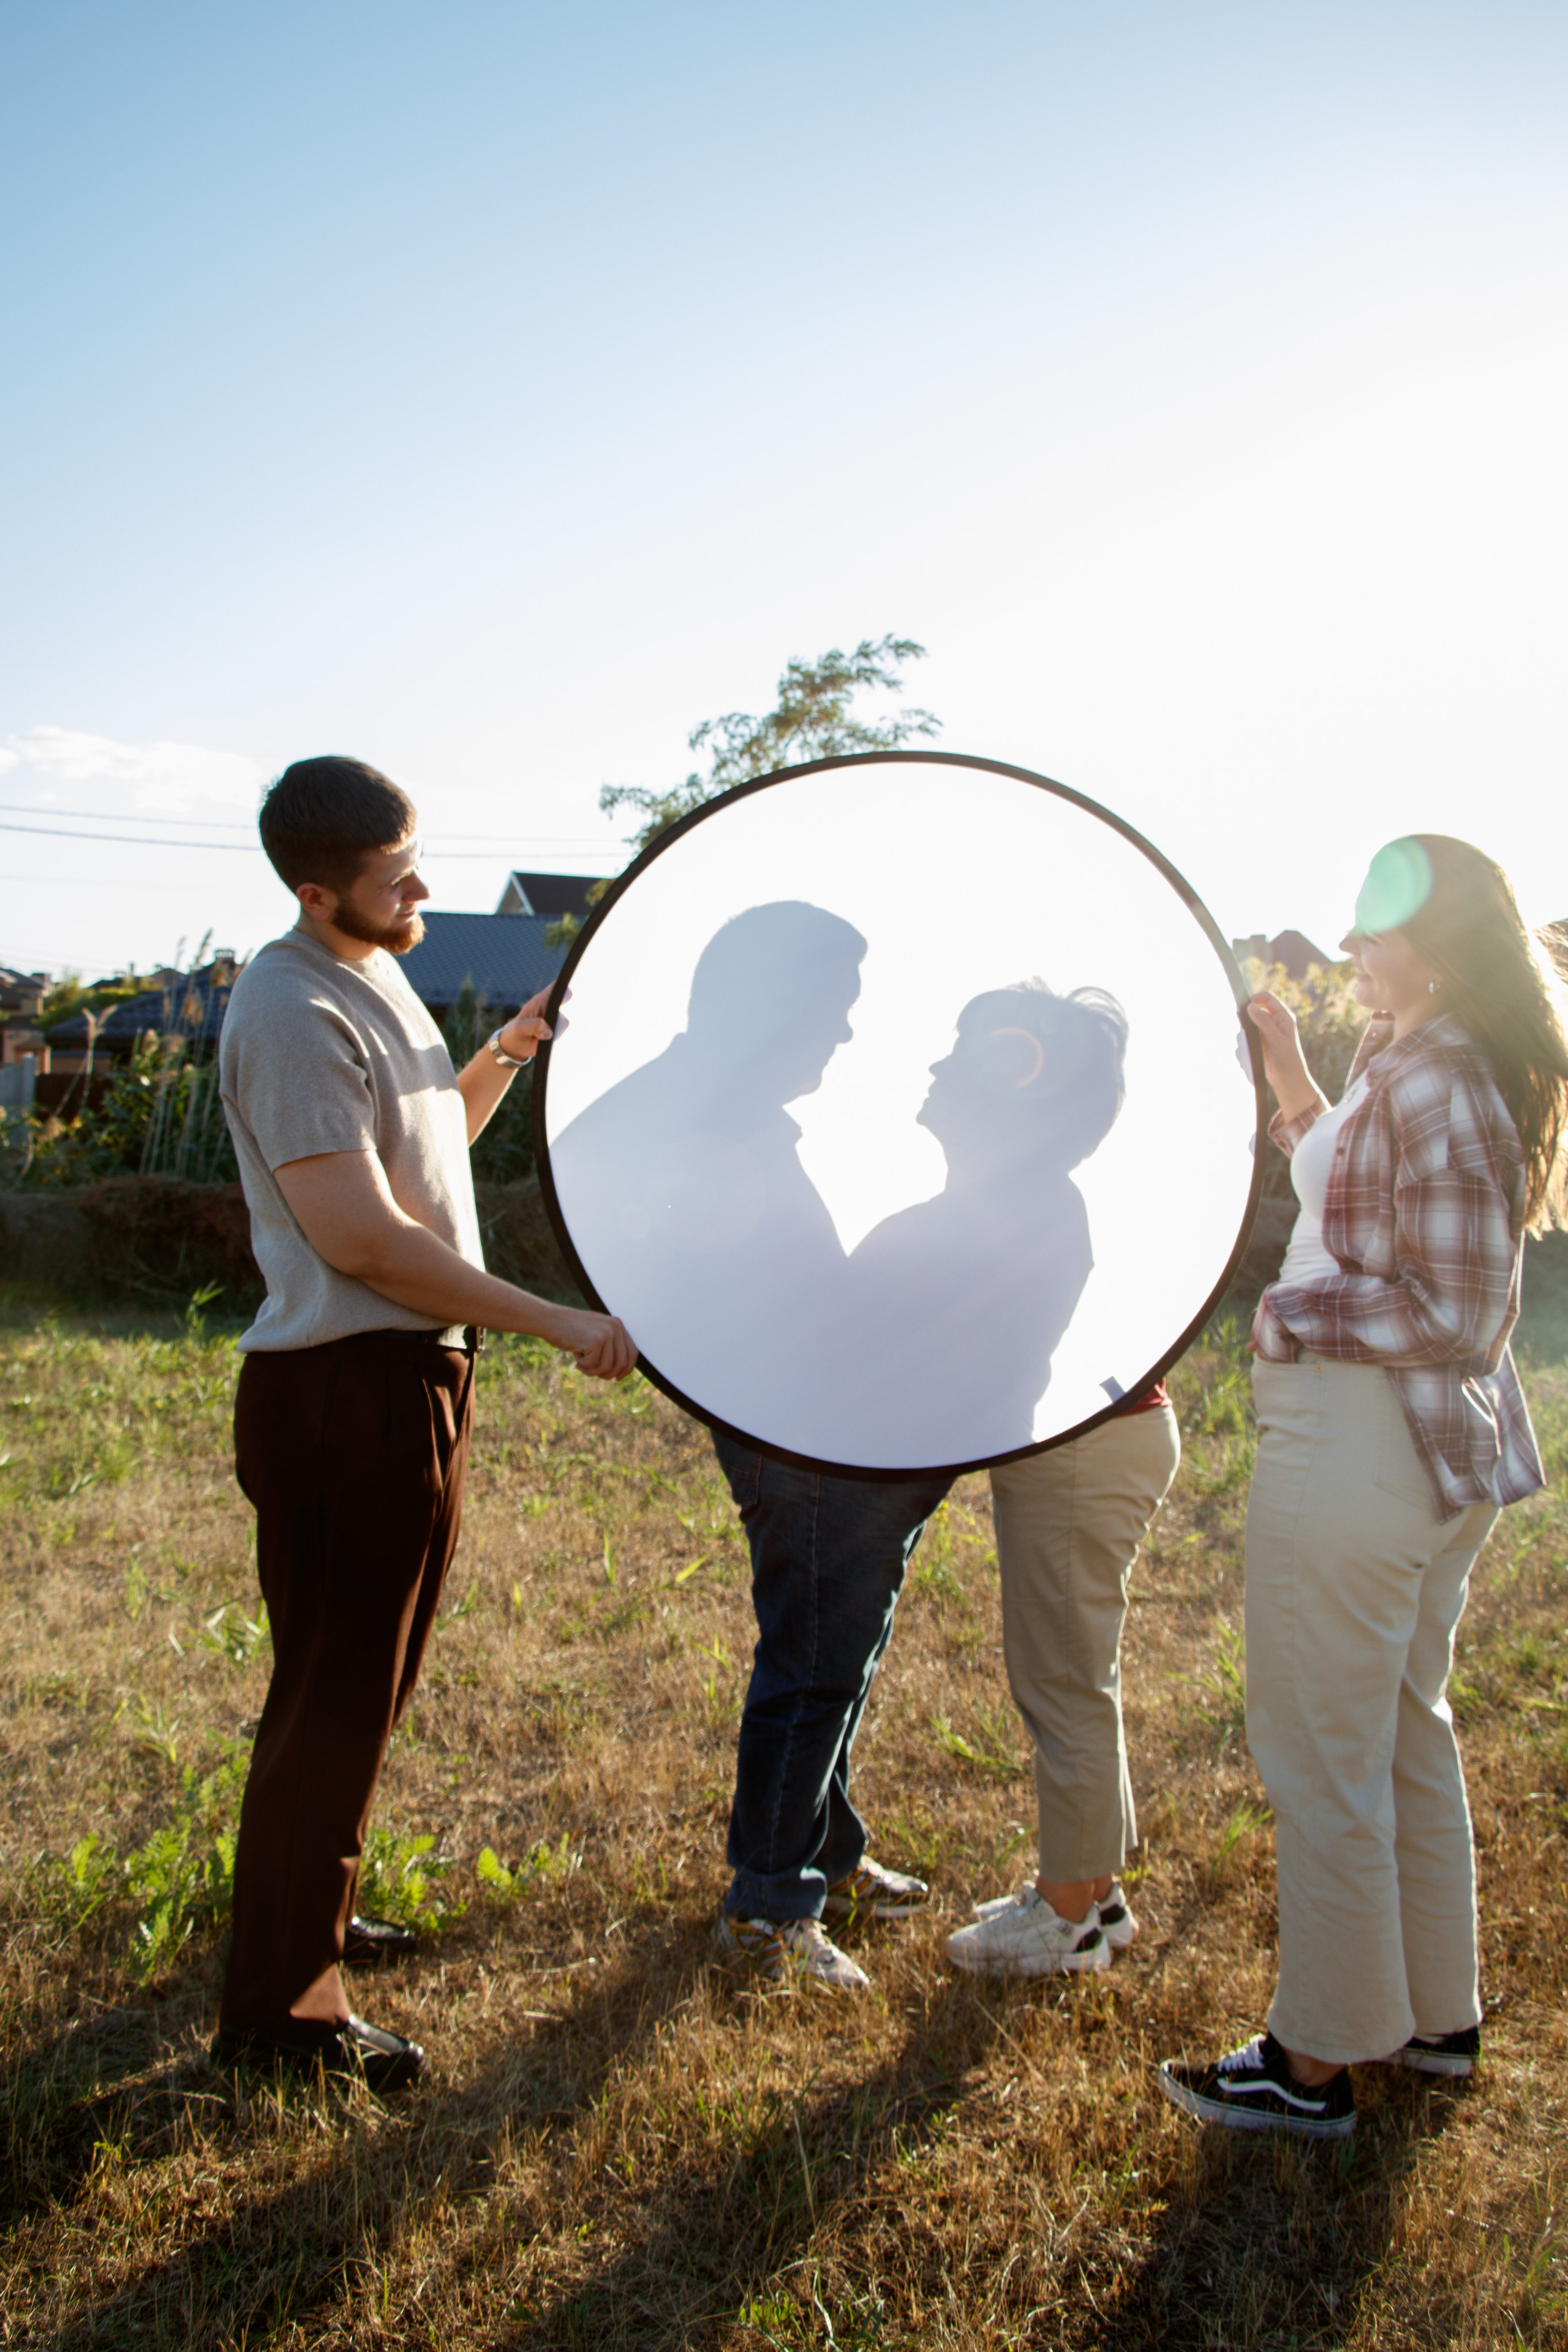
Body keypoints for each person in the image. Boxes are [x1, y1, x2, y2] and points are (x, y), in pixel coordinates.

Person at [211, 755, 635, 2092]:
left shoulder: (374, 975)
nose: (424, 890)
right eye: (399, 877)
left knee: (363, 1688)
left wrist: (508, 1051)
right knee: (332, 1695)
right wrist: (558, 1319)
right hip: (346, 1391)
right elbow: (364, 1239)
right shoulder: (287, 1010)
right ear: (315, 888)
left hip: (408, 1383)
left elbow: (424, 1147)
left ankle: (306, 1919)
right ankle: (287, 2020)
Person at [1160, 835, 1567, 2139]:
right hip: (1412, 1456)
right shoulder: (1416, 1061)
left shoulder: (1441, 1076)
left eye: (1371, 931)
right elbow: (1350, 1199)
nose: (1348, 950)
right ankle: (1432, 2021)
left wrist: (1284, 1315)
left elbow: (1453, 1307)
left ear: (1439, 948)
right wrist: (1288, 1074)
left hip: (1361, 1449)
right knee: (1397, 1733)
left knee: (1318, 1752)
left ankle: (1312, 2060)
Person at [944, 1385, 1180, 1978]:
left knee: (1064, 1686)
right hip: (1110, 1428)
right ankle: (1096, 1892)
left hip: (1080, 1439)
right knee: (1082, 1674)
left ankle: (1063, 1918)